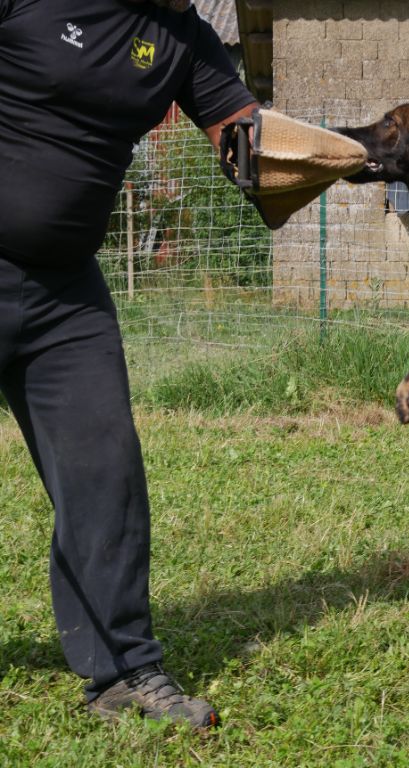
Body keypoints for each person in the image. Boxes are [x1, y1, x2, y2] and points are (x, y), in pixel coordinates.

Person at [0, 0, 259, 729]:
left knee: (105, 475)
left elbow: (248, 138)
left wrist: (365, 155)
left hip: (65, 292)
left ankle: (121, 673)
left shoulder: (184, 39)